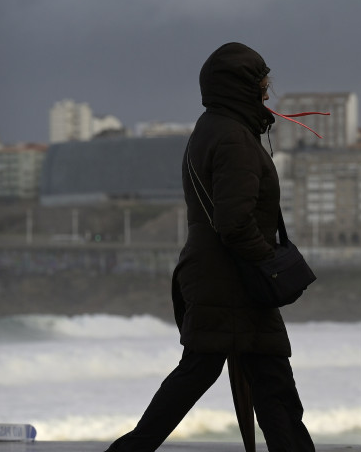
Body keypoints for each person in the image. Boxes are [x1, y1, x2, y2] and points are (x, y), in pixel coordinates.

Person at [104, 42, 315, 452]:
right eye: (262, 84)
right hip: (233, 282)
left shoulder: (212, 128)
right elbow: (234, 223)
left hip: (218, 278)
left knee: (256, 381)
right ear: (241, 86)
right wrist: (268, 261)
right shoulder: (234, 138)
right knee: (225, 378)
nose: (267, 94)